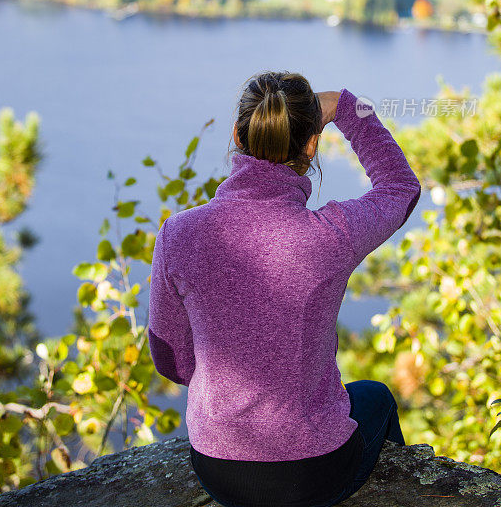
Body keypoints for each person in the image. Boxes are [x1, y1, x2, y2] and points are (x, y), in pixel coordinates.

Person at [148, 71, 422, 507]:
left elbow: (171, 360)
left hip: (216, 469)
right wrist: (350, 108)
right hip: (311, 474)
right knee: (378, 397)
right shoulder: (332, 234)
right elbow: (401, 188)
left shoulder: (179, 233)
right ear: (311, 145)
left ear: (238, 136)